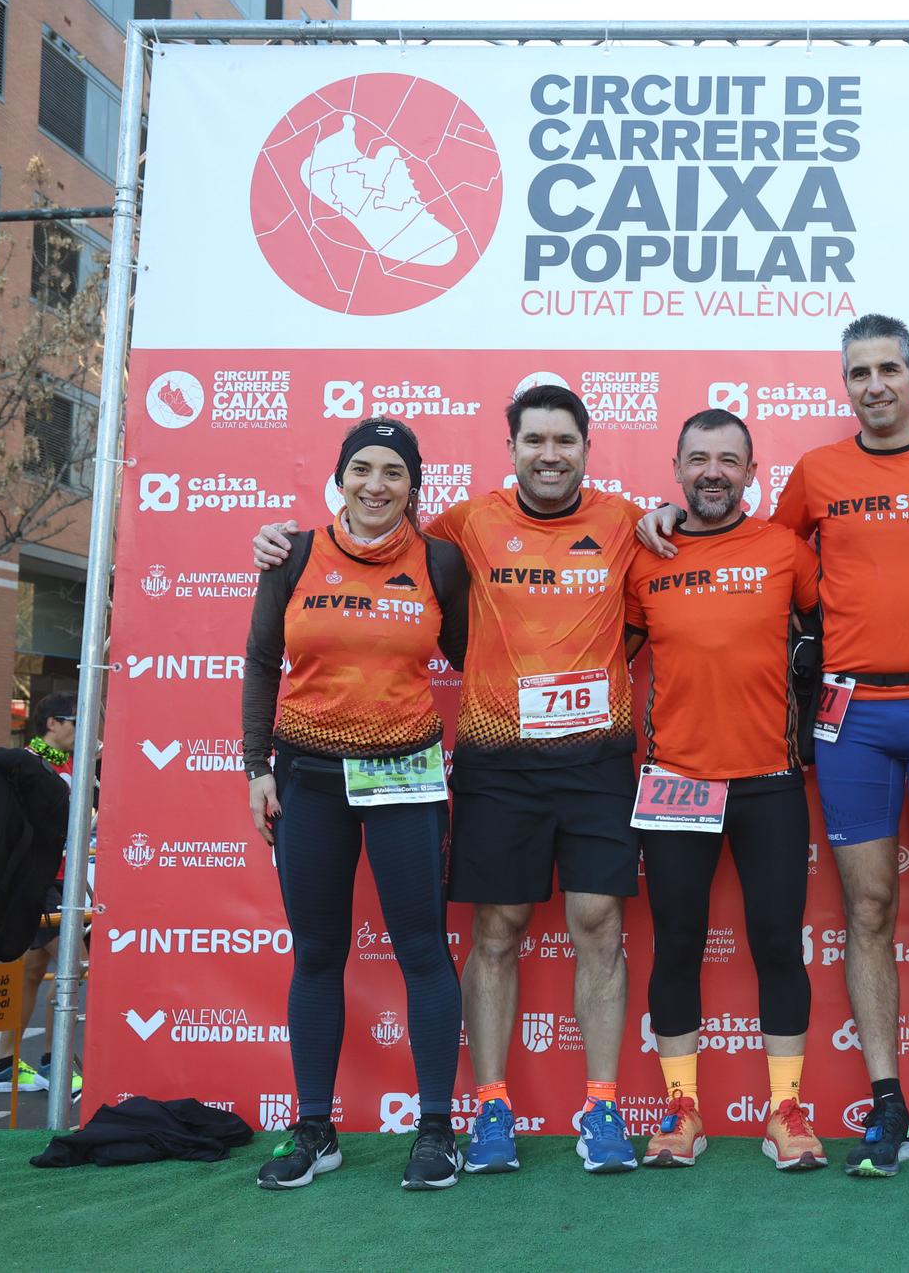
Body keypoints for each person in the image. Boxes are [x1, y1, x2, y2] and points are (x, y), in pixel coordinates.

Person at [641, 315, 909, 1177]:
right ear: (844, 383)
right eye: (860, 372)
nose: (876, 384)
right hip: (852, 718)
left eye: (890, 368)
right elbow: (747, 545)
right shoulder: (815, 474)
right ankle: (888, 1104)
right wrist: (663, 516)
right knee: (870, 910)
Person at [254, 384, 646, 1174]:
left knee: (598, 924)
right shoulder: (458, 529)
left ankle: (599, 1107)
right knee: (491, 929)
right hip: (492, 762)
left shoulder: (629, 521)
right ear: (511, 449)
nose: (549, 453)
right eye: (534, 439)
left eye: (564, 440)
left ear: (586, 447)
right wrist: (277, 538)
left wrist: (672, 523)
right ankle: (486, 1110)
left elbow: (669, 577)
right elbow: (360, 545)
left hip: (594, 757)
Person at [241, 418, 470, 1190]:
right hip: (307, 775)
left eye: (395, 473)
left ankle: (435, 1128)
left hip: (405, 775)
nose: (378, 485)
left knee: (422, 949)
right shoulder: (295, 553)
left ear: (414, 486)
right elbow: (262, 660)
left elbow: (477, 659)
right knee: (316, 952)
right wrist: (254, 767)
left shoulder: (439, 560)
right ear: (340, 476)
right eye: (363, 469)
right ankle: (314, 1127)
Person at [621, 409, 828, 1172]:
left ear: (750, 470)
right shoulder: (646, 551)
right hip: (675, 780)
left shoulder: (784, 549)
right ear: (677, 468)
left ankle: (785, 1109)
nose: (714, 471)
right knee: (676, 943)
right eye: (699, 458)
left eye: (729, 459)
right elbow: (615, 644)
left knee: (778, 942)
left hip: (769, 780)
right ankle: (683, 1110)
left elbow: (827, 639)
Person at [0, 691, 82, 1099]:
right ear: (52, 724)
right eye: (75, 721)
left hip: (64, 880)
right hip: (36, 883)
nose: (82, 729)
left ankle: (5, 1065)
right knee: (78, 966)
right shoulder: (24, 763)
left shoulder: (75, 764)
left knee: (32, 971)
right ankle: (54, 1062)